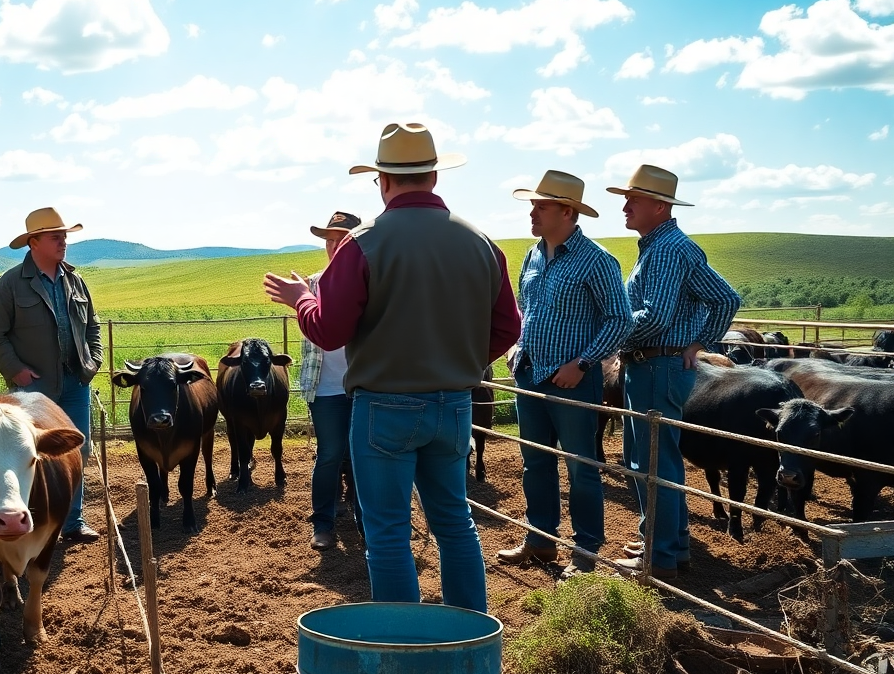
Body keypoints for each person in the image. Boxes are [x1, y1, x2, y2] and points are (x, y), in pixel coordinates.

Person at [264, 122, 521, 612]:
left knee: (387, 534)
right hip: (454, 402)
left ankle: (403, 646)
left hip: (383, 407)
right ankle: (469, 632)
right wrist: (457, 359)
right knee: (454, 522)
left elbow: (329, 331)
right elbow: (508, 327)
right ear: (434, 177)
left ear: (383, 180)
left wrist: (302, 300)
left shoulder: (362, 244)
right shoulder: (483, 243)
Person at [495, 171, 633, 580]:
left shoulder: (598, 260)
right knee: (534, 461)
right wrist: (516, 345)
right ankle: (539, 538)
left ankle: (586, 549)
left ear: (567, 211)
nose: (532, 213)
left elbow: (619, 320)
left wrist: (584, 363)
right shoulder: (533, 255)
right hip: (530, 374)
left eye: (541, 206)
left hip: (574, 379)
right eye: (533, 206)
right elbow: (527, 309)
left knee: (579, 465)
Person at [607, 165, 741, 581]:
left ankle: (658, 556)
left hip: (655, 365)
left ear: (660, 206)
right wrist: (700, 340)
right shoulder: (668, 245)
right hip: (657, 364)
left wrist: (612, 329)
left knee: (651, 462)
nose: (625, 206)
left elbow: (656, 316)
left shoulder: (666, 250)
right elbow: (726, 298)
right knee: (657, 459)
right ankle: (671, 544)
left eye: (633, 199)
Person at [0, 207, 104, 544]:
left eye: (64, 235)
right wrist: (16, 372)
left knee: (78, 449)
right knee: (27, 454)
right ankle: (30, 518)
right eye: (56, 236)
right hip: (33, 389)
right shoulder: (9, 284)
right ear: (33, 242)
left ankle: (72, 522)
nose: (63, 241)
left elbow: (92, 327)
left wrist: (92, 361)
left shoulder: (75, 281)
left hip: (76, 382)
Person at [298, 210, 363, 552]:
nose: (334, 245)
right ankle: (322, 523)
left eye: (342, 239)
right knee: (330, 454)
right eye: (329, 239)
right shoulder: (312, 283)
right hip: (325, 387)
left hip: (365, 384)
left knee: (362, 455)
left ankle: (361, 517)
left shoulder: (371, 281)